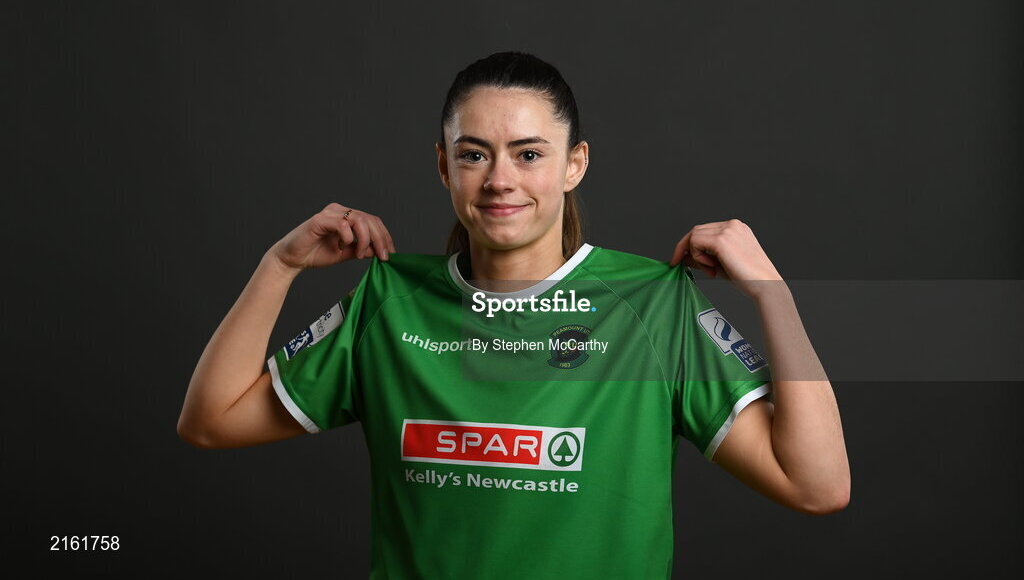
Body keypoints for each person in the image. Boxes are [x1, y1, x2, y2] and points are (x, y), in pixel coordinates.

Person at [177, 51, 850, 579]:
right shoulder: (388, 305)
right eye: (474, 154)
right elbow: (210, 420)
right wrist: (279, 267)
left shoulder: (649, 308)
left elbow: (816, 485)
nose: (501, 179)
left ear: (573, 165)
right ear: (444, 167)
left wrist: (773, 296)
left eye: (529, 154)